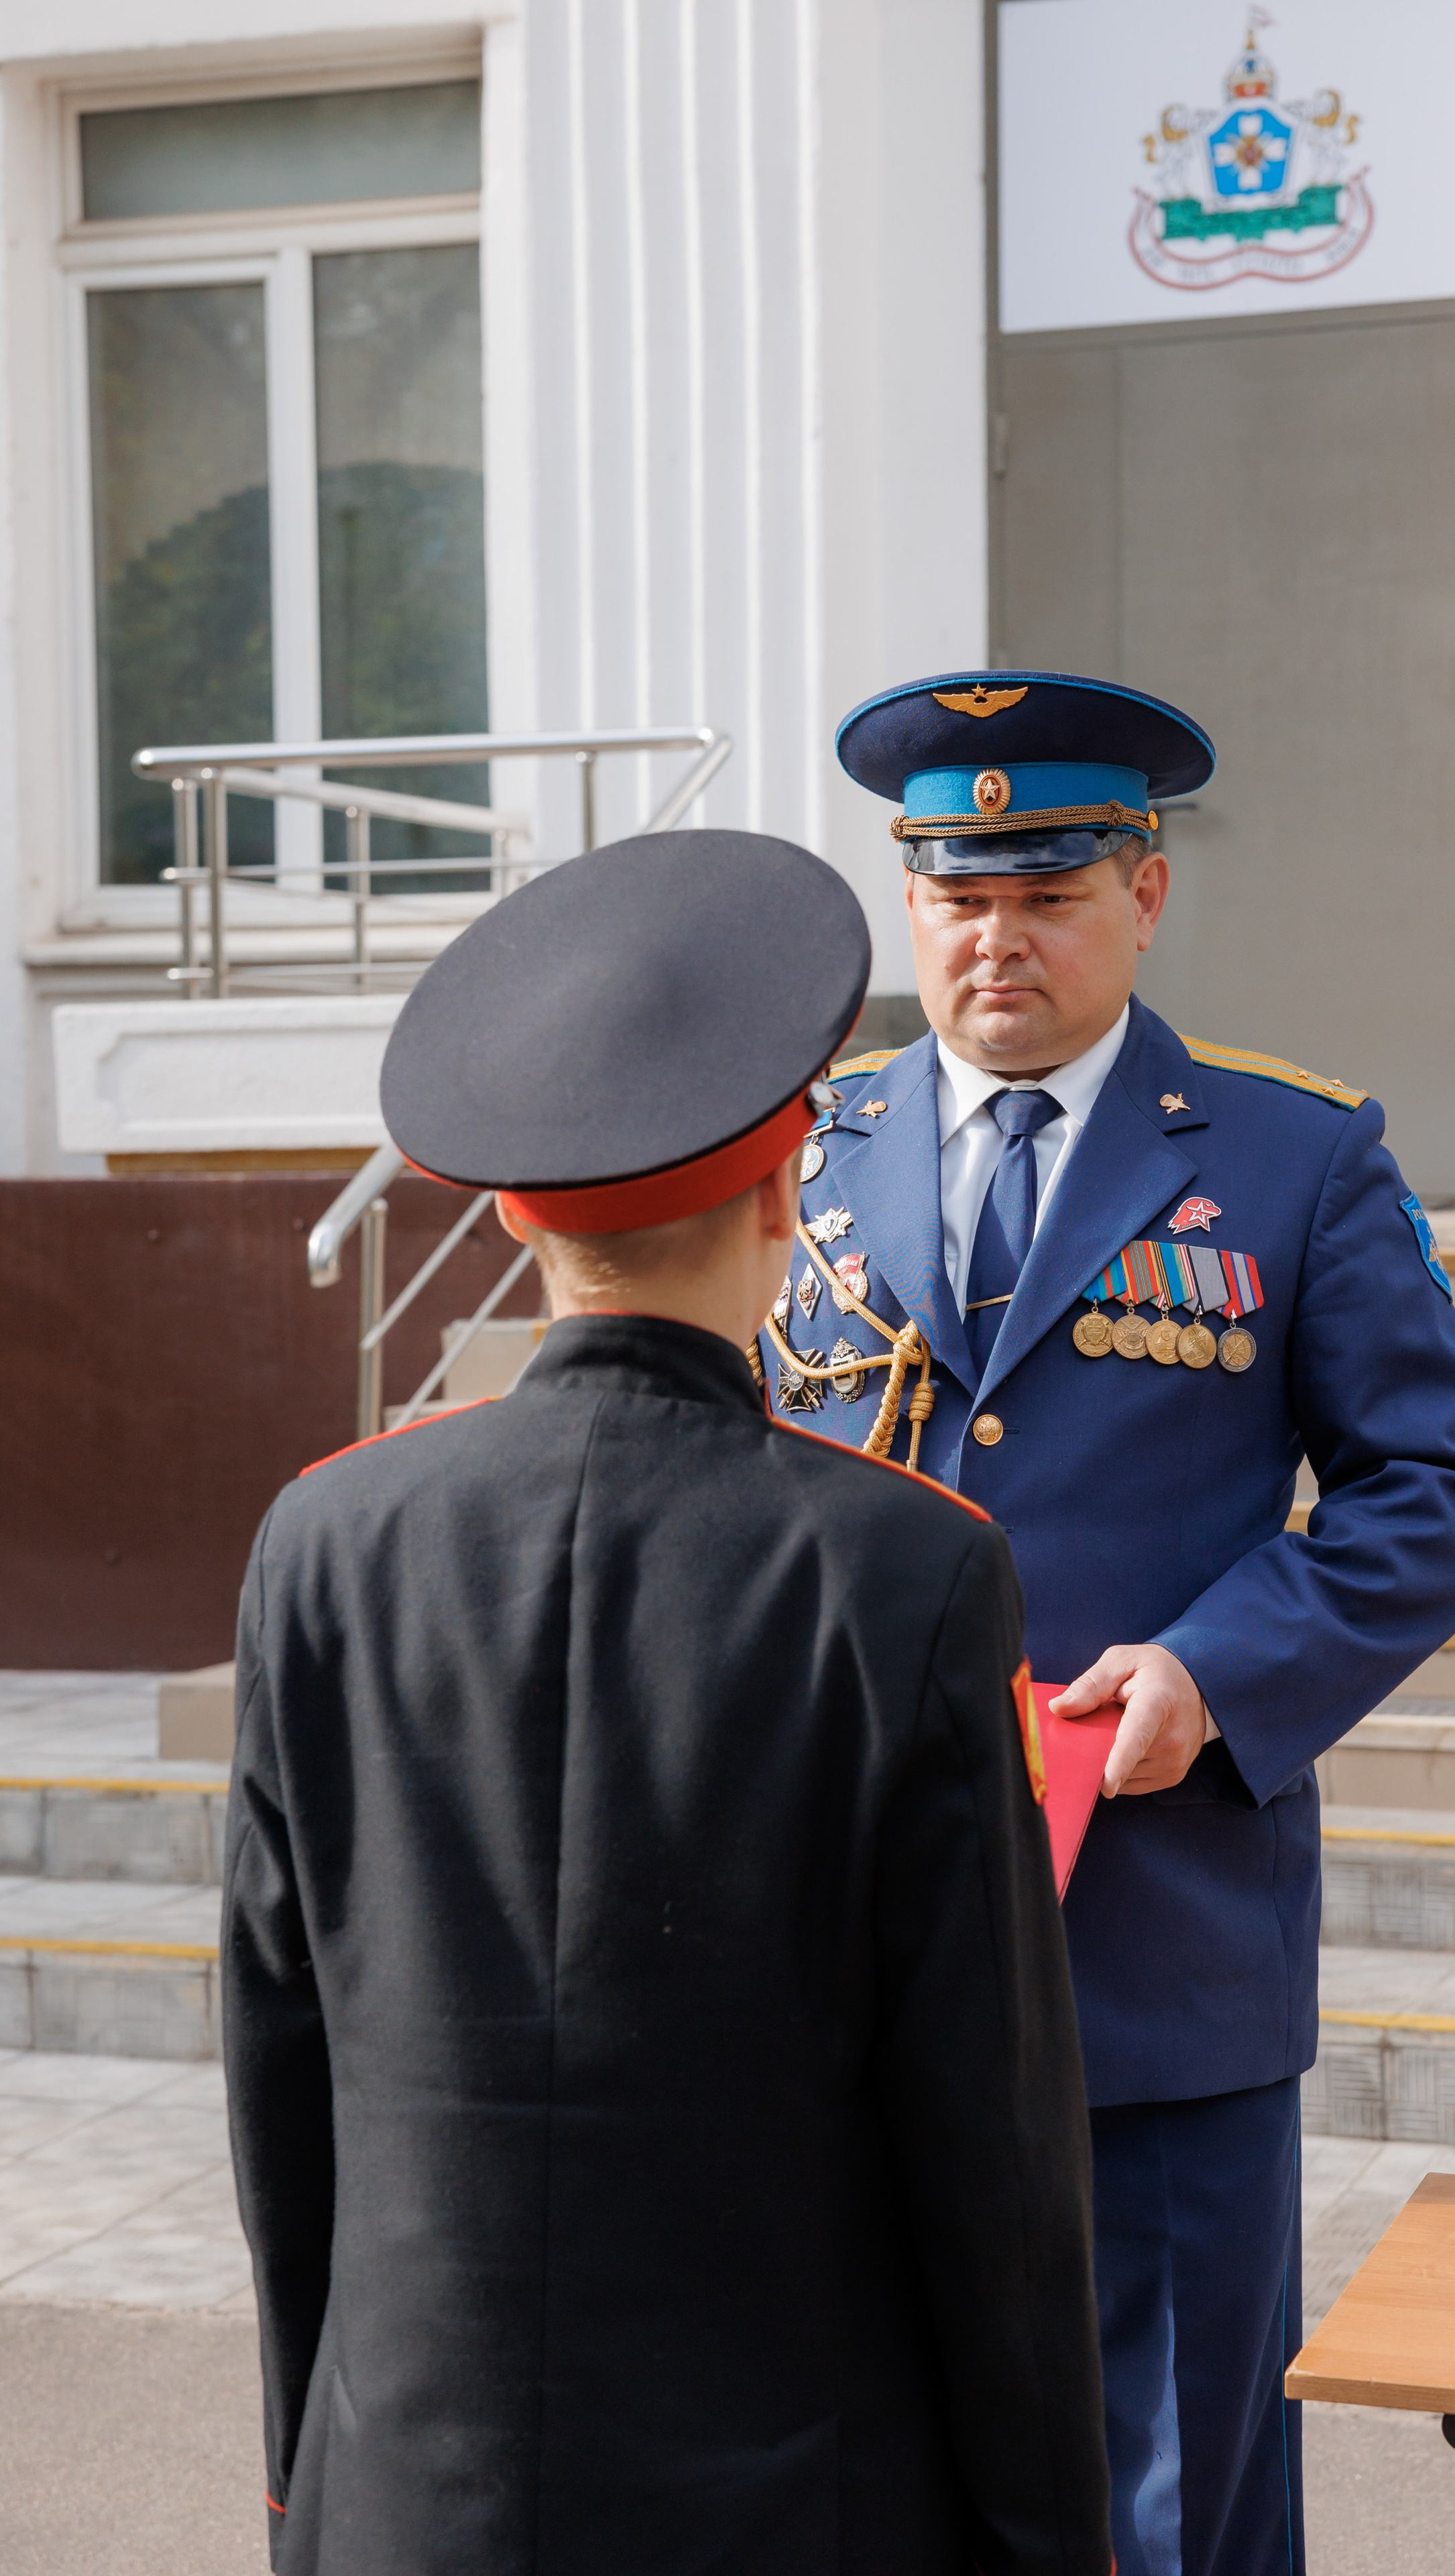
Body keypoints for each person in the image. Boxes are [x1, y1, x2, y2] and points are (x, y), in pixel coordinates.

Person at [221, 828, 1114, 2576]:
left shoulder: (322, 1540)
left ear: (512, 1208)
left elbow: (280, 2077)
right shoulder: (908, 1568)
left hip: (409, 2494)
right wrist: (1044, 2536)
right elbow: (993, 2158)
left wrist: (307, 2476)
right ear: (794, 1189)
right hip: (797, 2507)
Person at [762, 673, 1455, 2576]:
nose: (997, 937)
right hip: (848, 1944)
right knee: (874, 2469)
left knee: (1177, 2491)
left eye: (1052, 889)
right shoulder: (805, 1159)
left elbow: (1437, 1492)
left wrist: (1213, 1668)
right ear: (910, 902)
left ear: (1149, 890)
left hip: (1163, 1952)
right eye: (956, 893)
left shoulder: (1290, 1156)